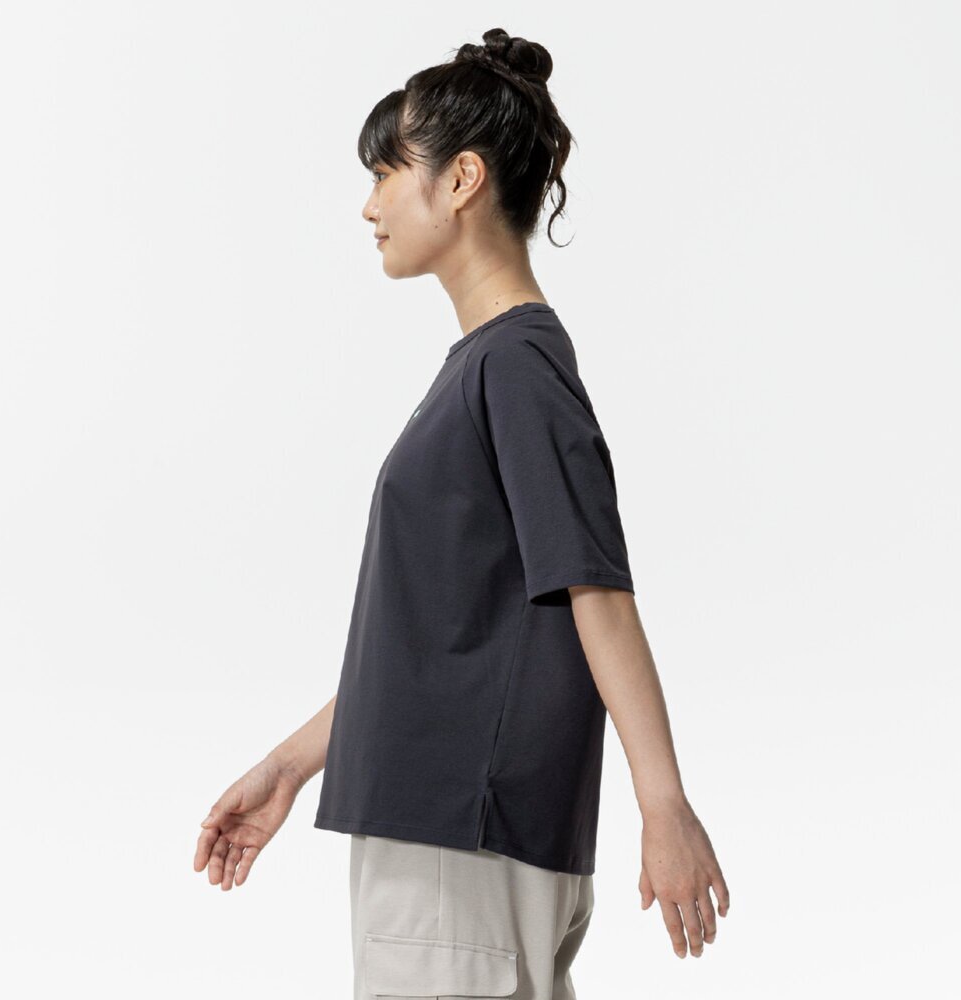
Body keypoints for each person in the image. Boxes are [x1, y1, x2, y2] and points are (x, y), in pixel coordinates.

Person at [193, 27, 729, 999]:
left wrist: (664, 803)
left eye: (386, 172)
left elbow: (595, 590)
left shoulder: (513, 367)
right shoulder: (489, 367)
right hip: (449, 843)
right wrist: (290, 765)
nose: (370, 205)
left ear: (462, 179)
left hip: (459, 848)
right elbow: (435, 648)